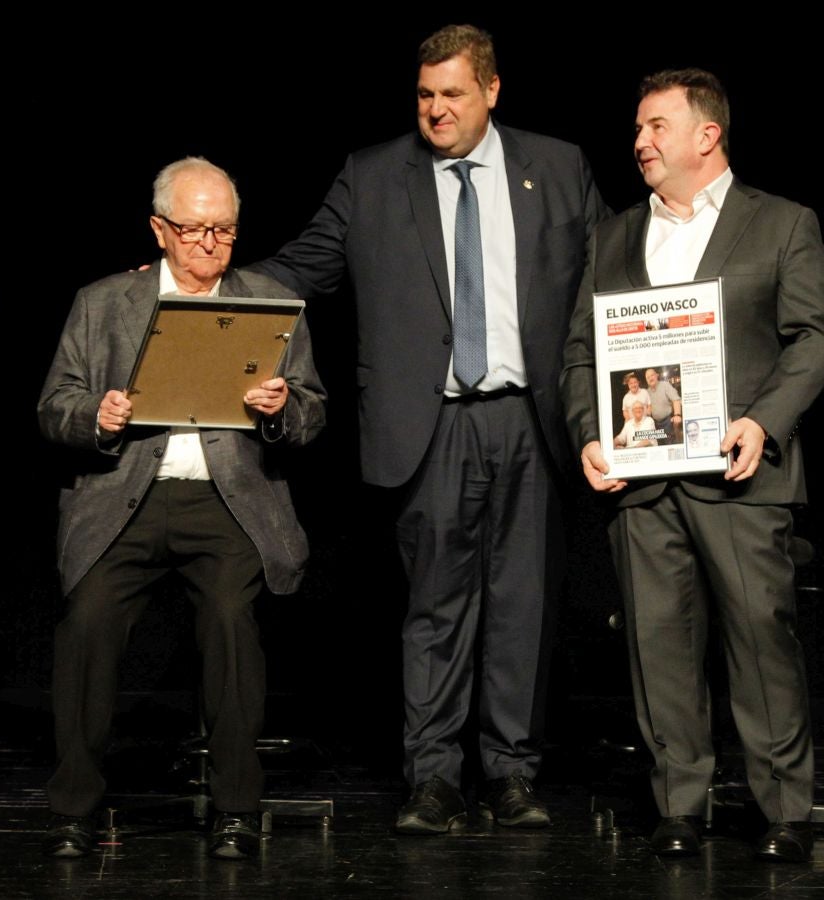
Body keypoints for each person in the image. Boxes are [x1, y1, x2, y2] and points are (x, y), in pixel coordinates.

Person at [254, 24, 607, 832]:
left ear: (491, 89)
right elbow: (302, 266)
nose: (436, 110)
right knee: (436, 609)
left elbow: (613, 270)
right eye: (424, 95)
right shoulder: (374, 176)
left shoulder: (556, 167)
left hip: (532, 421)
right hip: (431, 425)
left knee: (523, 607)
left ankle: (513, 775)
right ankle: (434, 779)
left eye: (452, 93)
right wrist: (195, 282)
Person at [561, 69, 824, 863]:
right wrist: (589, 431)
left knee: (761, 643)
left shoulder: (782, 224)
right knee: (659, 647)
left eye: (655, 126)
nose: (639, 142)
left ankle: (784, 810)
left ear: (706, 135)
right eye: (639, 129)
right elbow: (581, 352)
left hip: (739, 476)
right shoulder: (613, 236)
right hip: (642, 482)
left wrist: (764, 422)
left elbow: (816, 339)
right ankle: (678, 806)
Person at [37, 158, 325, 861]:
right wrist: (100, 418)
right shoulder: (104, 303)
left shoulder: (270, 300)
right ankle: (74, 808)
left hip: (227, 500)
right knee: (89, 620)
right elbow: (54, 406)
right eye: (194, 229)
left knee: (230, 621)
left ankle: (236, 808)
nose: (209, 244)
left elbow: (314, 413)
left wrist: (281, 411)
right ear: (160, 229)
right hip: (125, 498)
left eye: (223, 230)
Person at [644, 367, 682, 443]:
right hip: (655, 424)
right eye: (648, 377)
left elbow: (676, 400)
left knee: (670, 443)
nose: (650, 378)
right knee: (659, 444)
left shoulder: (665, 385)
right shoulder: (646, 392)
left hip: (667, 422)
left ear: (656, 375)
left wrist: (677, 415)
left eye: (652, 375)